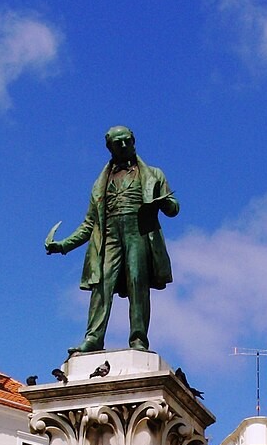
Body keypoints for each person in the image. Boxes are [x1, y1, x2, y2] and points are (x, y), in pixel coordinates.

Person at [45, 126, 179, 355]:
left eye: (128, 141)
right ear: (110, 147)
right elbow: (90, 224)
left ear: (134, 141)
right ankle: (93, 338)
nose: (125, 146)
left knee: (138, 284)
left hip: (138, 233)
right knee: (101, 286)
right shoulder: (101, 182)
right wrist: (64, 245)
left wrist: (162, 203)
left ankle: (138, 339)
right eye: (119, 143)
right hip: (109, 236)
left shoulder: (154, 174)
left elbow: (174, 208)